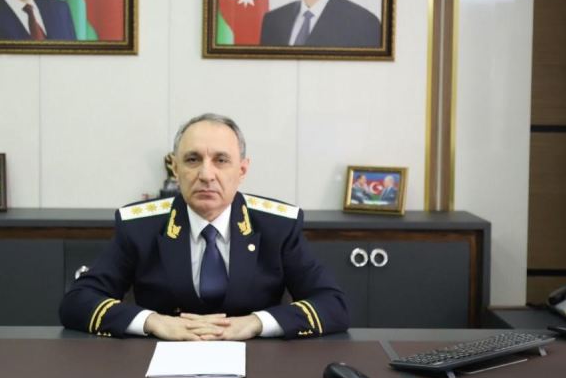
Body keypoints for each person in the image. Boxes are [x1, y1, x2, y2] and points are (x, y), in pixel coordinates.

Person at [59, 113, 349, 340]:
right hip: (160, 361)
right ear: (175, 168)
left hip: (257, 362)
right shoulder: (141, 227)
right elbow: (78, 301)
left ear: (242, 170)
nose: (206, 174)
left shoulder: (277, 226)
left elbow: (333, 304)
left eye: (221, 160)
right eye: (192, 159)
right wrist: (153, 321)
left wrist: (256, 323)